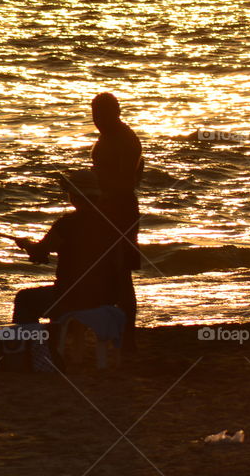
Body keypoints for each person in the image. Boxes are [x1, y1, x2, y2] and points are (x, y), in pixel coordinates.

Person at [13, 171, 127, 325]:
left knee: (24, 298)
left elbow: (39, 253)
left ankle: (28, 346)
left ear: (73, 196)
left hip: (72, 297)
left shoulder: (66, 224)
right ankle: (60, 338)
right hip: (108, 297)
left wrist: (26, 245)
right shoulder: (114, 222)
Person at [90, 92, 143, 349]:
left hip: (120, 209)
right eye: (94, 114)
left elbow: (123, 179)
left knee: (121, 270)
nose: (96, 120)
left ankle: (128, 335)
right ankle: (116, 331)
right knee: (110, 270)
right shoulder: (111, 136)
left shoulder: (123, 139)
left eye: (101, 114)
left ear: (116, 112)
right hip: (111, 207)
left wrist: (97, 190)